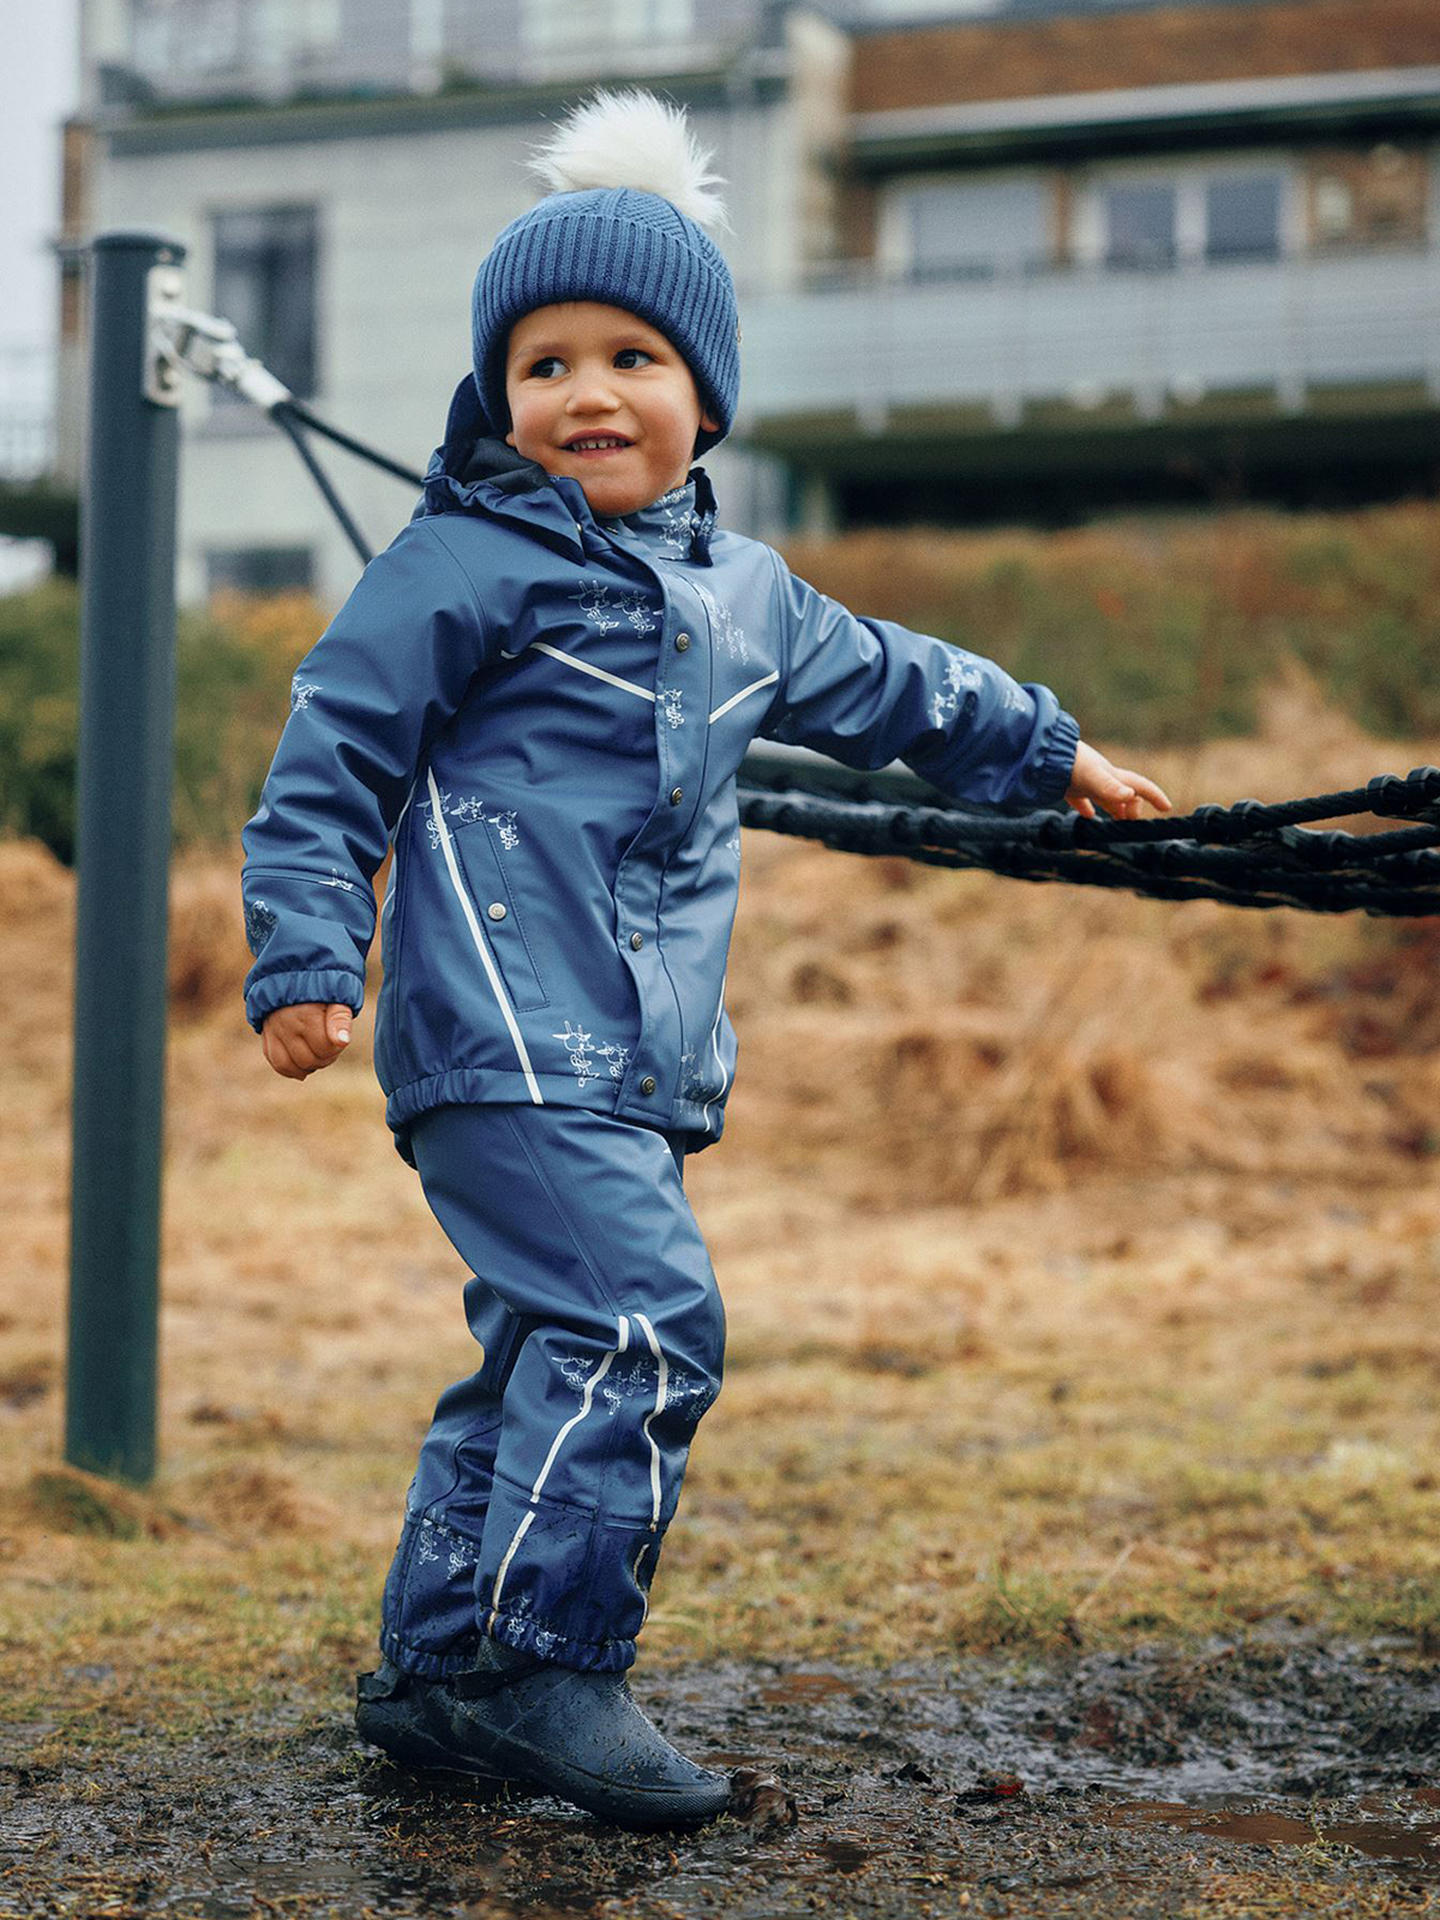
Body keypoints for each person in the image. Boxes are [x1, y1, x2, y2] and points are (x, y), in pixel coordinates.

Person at [240, 87, 1171, 1829]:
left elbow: (896, 683)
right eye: (544, 363)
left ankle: (443, 1673)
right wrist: (305, 951)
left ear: (705, 394)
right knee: (643, 1326)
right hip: (505, 1034)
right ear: (496, 398)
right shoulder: (459, 563)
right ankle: (546, 1670)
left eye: (631, 358)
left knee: (544, 1341)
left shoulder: (744, 594)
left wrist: (1053, 751)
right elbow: (328, 755)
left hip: (637, 1052)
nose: (586, 392)